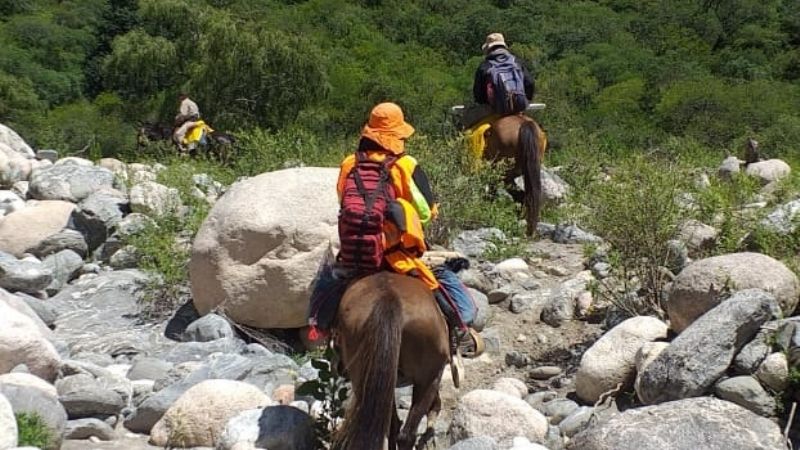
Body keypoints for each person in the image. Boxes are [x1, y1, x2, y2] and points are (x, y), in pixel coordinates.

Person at [310, 102, 481, 360]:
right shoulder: (406, 165)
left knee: (323, 287)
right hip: (399, 258)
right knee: (457, 298)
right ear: (398, 136)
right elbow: (426, 212)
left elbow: (344, 201)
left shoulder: (348, 164)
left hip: (357, 256)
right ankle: (459, 332)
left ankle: (321, 332)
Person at [473, 32, 535, 113]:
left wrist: (485, 103)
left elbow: (478, 94)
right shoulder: (517, 62)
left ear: (488, 49)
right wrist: (525, 99)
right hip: (519, 106)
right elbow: (530, 83)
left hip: (495, 109)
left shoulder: (485, 66)